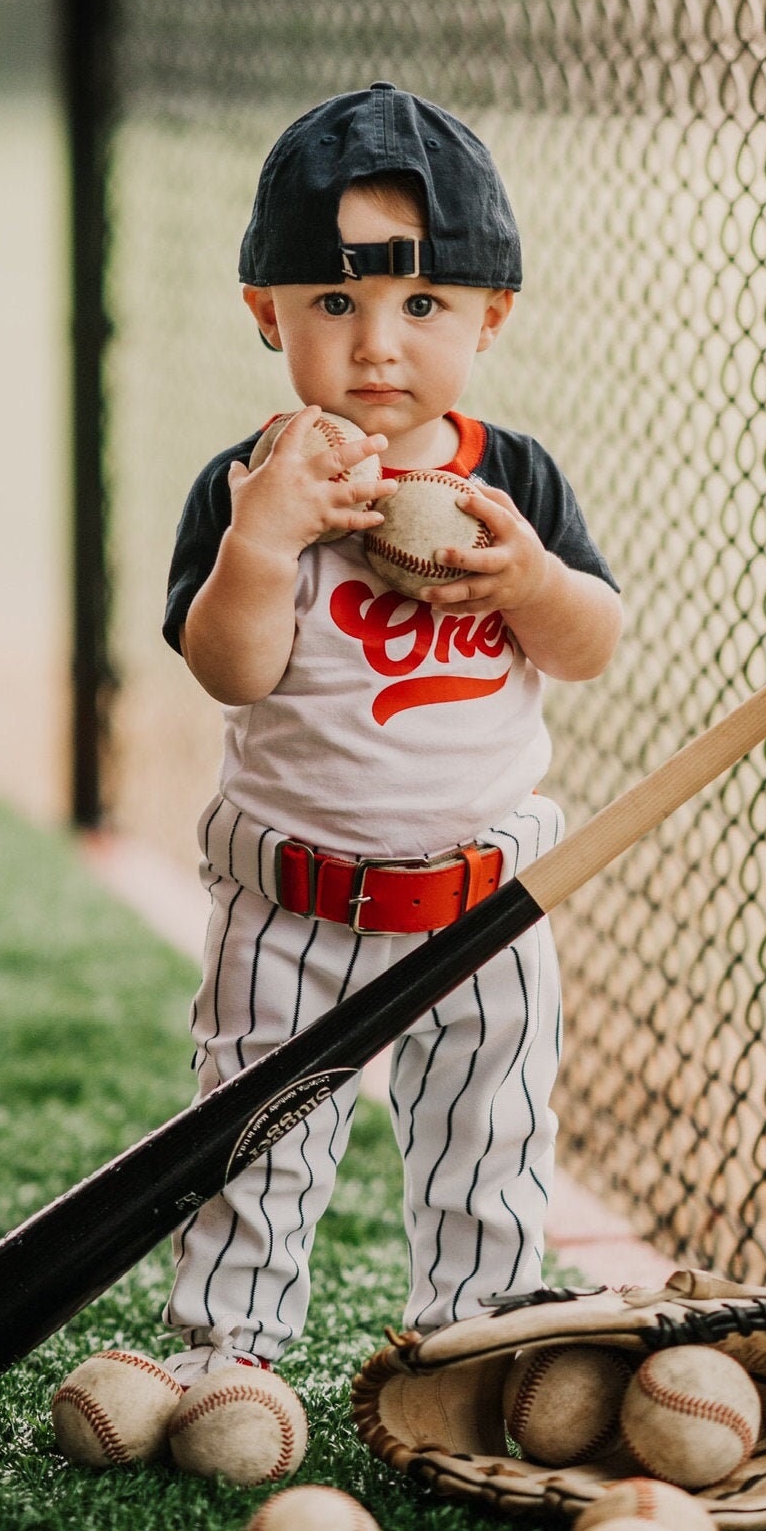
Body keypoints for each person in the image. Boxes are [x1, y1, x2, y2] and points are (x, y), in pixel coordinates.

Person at [161, 80, 622, 1381]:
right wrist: (263, 539)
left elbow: (590, 647)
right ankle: (230, 1362)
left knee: (489, 1141)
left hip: (485, 897)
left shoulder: (512, 481)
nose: (378, 345)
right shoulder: (253, 482)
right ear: (268, 315)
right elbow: (231, 672)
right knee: (257, 1141)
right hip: (291, 902)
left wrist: (532, 584)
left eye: (422, 305)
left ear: (491, 317)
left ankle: (474, 1352)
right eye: (336, 304)